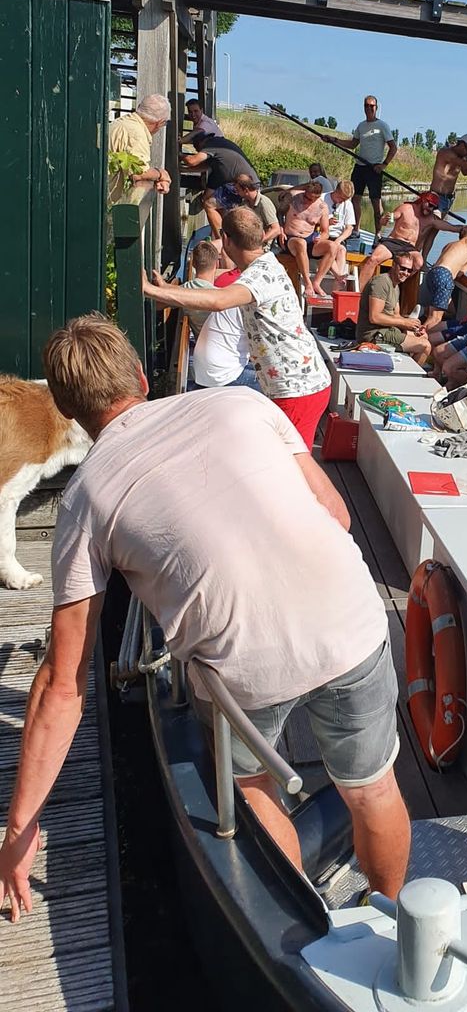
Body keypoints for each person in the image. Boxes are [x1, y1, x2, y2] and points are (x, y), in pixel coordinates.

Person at [0, 316, 410, 923]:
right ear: (140, 377)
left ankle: (310, 931)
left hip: (246, 668)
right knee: (373, 786)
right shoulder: (244, 403)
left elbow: (63, 685)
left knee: (252, 787)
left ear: (65, 407)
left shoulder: (86, 500)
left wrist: (19, 829)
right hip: (354, 622)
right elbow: (338, 516)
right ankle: (389, 916)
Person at [143, 208, 331, 448]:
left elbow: (219, 301)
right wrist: (167, 290)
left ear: (226, 240)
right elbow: (210, 293)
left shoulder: (258, 277)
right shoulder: (266, 265)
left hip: (297, 389)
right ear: (261, 236)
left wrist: (150, 290)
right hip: (297, 385)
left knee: (291, 463)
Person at [357, 192, 467, 293]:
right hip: (393, 241)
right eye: (430, 205)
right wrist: (384, 220)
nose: (430, 209)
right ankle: (360, 293)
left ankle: (395, 285)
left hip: (410, 248)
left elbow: (450, 227)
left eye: (434, 207)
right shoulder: (406, 208)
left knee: (419, 263)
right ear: (423, 200)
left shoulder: (431, 219)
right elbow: (387, 219)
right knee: (373, 259)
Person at [321, 96, 397, 230]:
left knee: (376, 202)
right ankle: (356, 229)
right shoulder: (361, 126)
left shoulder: (382, 126)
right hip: (360, 167)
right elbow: (352, 144)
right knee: (355, 199)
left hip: (374, 168)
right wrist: (334, 140)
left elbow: (393, 148)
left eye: (372, 106)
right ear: (363, 107)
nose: (369, 108)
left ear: (376, 108)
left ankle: (378, 233)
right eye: (366, 106)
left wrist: (384, 165)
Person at [356, 250, 430, 364]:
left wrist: (414, 327)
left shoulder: (396, 286)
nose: (406, 273)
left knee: (423, 337)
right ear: (394, 265)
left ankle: (405, 369)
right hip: (373, 334)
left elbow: (396, 315)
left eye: (409, 270)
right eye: (403, 268)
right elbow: (374, 317)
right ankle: (409, 374)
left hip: (387, 330)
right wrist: (405, 323)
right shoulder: (381, 282)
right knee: (425, 346)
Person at [180, 133, 259, 236]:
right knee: (219, 209)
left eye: (197, 149)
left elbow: (192, 161)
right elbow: (206, 166)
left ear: (201, 143)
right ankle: (225, 235)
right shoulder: (219, 147)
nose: (198, 151)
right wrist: (183, 169)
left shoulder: (211, 145)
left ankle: (221, 239)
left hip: (243, 185)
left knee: (209, 205)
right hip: (240, 183)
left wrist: (179, 155)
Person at [107, 93, 172, 198]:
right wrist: (161, 174)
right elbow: (138, 173)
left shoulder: (123, 122)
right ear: (160, 122)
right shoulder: (137, 134)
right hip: (104, 200)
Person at [190, 305, 260, 391]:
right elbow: (264, 351)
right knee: (274, 384)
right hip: (221, 376)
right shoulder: (255, 310)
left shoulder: (235, 302)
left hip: (206, 372)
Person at [283, 181, 331, 300]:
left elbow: (326, 232)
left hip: (309, 238)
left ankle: (317, 282)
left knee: (333, 246)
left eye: (310, 199)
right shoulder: (293, 197)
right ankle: (307, 281)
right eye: (305, 196)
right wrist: (280, 229)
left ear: (317, 197)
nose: (306, 200)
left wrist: (321, 238)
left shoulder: (322, 207)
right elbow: (277, 213)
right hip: (290, 236)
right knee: (301, 243)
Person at [307, 181, 356, 295]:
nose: (342, 201)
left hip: (337, 236)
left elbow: (349, 228)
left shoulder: (347, 204)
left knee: (341, 250)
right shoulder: (322, 199)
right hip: (322, 233)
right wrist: (326, 222)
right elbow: (310, 221)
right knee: (332, 248)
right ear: (336, 191)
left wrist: (339, 240)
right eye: (341, 198)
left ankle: (336, 289)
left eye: (345, 199)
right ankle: (339, 277)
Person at [181, 239, 221, 338]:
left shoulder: (183, 291)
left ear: (193, 264)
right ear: (217, 264)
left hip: (200, 341)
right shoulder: (222, 296)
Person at [232, 175, 283, 248]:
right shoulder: (244, 203)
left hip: (262, 245)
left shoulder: (264, 203)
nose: (237, 193)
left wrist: (260, 241)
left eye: (238, 190)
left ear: (246, 190)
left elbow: (276, 229)